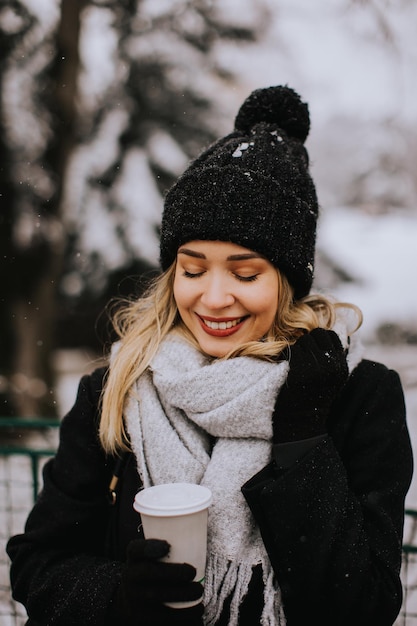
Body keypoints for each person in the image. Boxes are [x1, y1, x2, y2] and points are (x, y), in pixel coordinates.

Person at [7, 85, 413, 626]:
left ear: (287, 281)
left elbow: (363, 606)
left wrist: (302, 435)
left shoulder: (358, 393)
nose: (214, 298)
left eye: (245, 274)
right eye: (192, 270)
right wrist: (118, 596)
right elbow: (38, 566)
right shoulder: (119, 390)